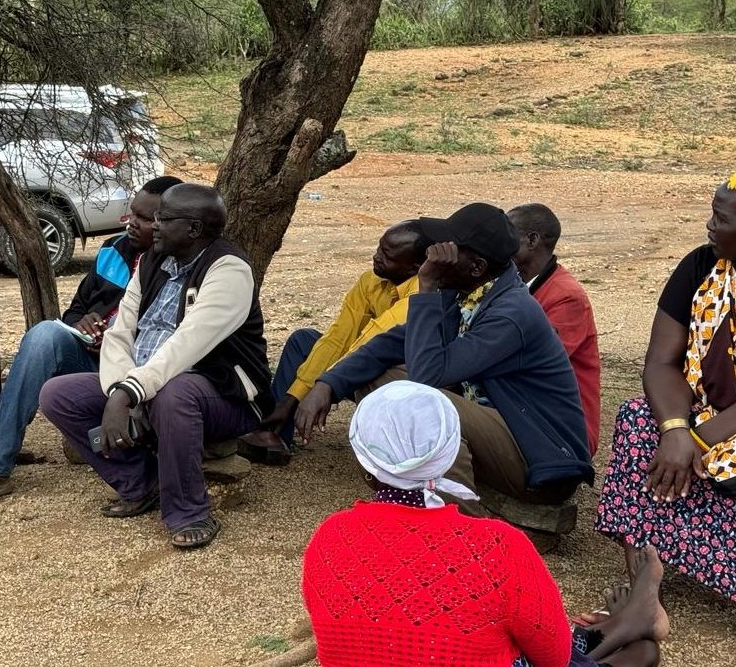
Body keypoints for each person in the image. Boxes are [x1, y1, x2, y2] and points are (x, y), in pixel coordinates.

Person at [303, 381, 667, 667]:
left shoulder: (328, 538)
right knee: (642, 655)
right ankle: (627, 624)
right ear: (449, 456)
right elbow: (553, 658)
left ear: (367, 468)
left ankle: (623, 625)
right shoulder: (499, 546)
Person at [594, 155, 736, 667]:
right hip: (706, 408)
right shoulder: (702, 265)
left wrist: (699, 439)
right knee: (640, 421)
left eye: (722, 218)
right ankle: (646, 588)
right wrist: (677, 429)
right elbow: (661, 362)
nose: (709, 225)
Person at [296, 203, 594, 515]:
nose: (435, 252)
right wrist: (327, 385)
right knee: (381, 378)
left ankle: (460, 521)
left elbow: (427, 380)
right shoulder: (471, 292)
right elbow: (392, 343)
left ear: (476, 266)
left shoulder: (512, 313)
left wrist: (426, 287)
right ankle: (414, 483)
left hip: (539, 458)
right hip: (505, 432)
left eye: (449, 247)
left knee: (420, 401)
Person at [38, 183, 271, 549]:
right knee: (58, 395)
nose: (152, 225)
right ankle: (141, 483)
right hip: (145, 385)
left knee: (173, 394)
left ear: (193, 229)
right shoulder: (152, 261)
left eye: (163, 218)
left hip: (224, 395)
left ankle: (189, 511)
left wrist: (131, 392)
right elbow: (120, 333)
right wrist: (120, 390)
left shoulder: (229, 271)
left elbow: (186, 346)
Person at [0, 175, 182, 505]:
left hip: (140, 372)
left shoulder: (178, 264)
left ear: (169, 222)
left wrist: (118, 338)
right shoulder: (113, 250)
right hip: (93, 360)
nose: (132, 223)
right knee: (45, 334)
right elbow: (75, 311)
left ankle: (114, 450)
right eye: (132, 213)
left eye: (145, 219)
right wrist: (83, 323)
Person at [237, 220, 428, 465]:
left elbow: (371, 347)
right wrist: (292, 398)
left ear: (415, 267)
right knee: (304, 341)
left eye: (387, 255)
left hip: (395, 374)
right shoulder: (370, 281)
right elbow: (339, 337)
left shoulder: (422, 295)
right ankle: (273, 431)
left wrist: (324, 386)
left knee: (376, 368)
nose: (376, 256)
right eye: (379, 248)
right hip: (361, 359)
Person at [508, 204, 602, 455]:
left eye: (508, 236)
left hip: (564, 431)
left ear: (532, 240)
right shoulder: (525, 284)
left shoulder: (566, 297)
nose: (500, 244)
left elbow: (529, 364)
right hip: (532, 409)